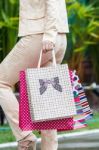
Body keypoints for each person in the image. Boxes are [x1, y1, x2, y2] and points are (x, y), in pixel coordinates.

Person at [0, 0, 69, 149]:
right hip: (58, 36)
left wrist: (49, 34)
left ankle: (24, 135)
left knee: (1, 81)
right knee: (46, 102)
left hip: (41, 36)